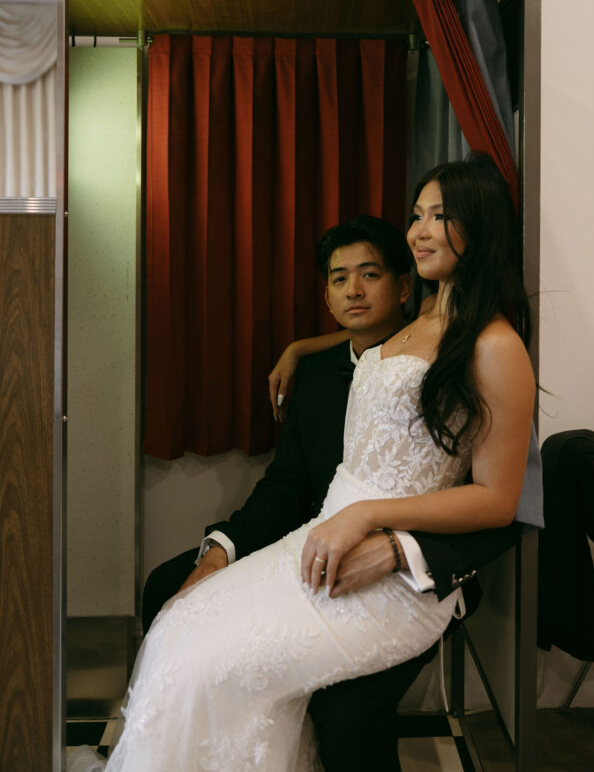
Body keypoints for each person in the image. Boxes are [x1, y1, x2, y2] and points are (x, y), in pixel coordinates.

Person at [77, 154, 537, 772]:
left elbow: (499, 500)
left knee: (207, 666)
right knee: (177, 632)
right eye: (416, 216)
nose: (420, 230)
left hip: (397, 580)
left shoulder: (495, 344)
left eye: (440, 217)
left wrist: (371, 518)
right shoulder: (419, 321)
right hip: (324, 540)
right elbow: (377, 353)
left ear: (479, 227)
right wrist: (299, 346)